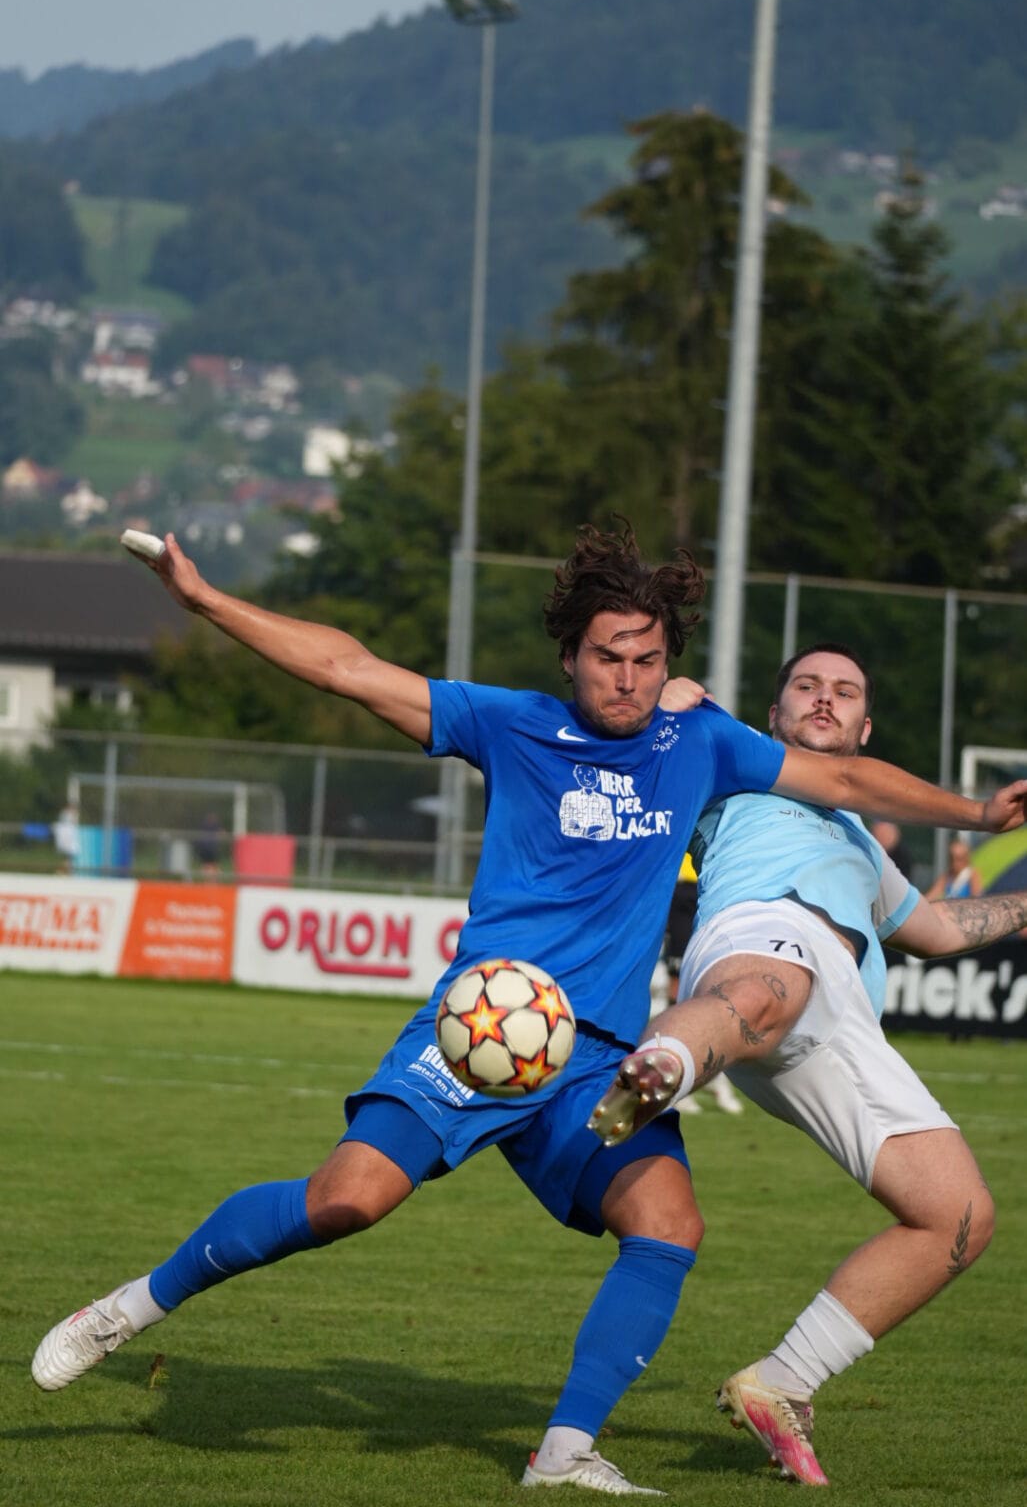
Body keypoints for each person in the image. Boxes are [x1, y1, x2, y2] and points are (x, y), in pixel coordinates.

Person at [31, 534, 1027, 1497]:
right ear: (569, 658)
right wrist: (206, 602)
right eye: (607, 658)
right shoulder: (508, 724)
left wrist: (982, 819)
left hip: (593, 1061)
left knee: (669, 1224)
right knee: (345, 1201)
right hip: (481, 1032)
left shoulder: (701, 745)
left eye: (646, 660)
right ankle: (127, 1308)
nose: (627, 679)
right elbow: (347, 667)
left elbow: (848, 780)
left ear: (667, 664)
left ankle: (562, 1453)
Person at [590, 642, 1027, 1487]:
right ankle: (660, 1063)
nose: (823, 700)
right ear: (773, 714)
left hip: (842, 1023)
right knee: (771, 982)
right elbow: (661, 705)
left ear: (866, 725)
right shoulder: (732, 763)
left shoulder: (863, 846)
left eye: (844, 693)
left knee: (958, 1216)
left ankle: (781, 1380)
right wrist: (678, 701)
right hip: (759, 941)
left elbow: (933, 933)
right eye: (805, 687)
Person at [651, 854, 743, 1117]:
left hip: (715, 884)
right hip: (681, 889)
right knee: (678, 989)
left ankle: (716, 1082)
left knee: (719, 985)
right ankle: (675, 1081)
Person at [926, 834, 982, 901]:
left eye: (958, 859)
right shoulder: (947, 876)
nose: (954, 863)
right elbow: (931, 895)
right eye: (951, 858)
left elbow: (976, 899)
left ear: (966, 858)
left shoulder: (972, 875)